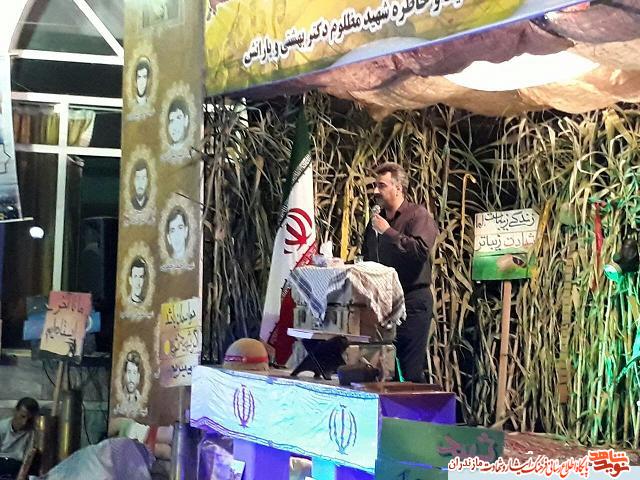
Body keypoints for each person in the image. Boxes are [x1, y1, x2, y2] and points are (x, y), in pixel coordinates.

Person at [362, 163, 438, 383]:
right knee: (382, 368)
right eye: (375, 186)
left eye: (381, 185)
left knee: (409, 369)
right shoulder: (375, 223)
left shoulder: (417, 215)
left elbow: (420, 251)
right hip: (383, 303)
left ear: (398, 188)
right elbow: (367, 256)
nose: (375, 191)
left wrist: (388, 232)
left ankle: (415, 405)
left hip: (411, 301)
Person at [0, 397, 39, 474]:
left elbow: (28, 458)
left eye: (29, 419)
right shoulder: (2, 427)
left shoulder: (32, 432)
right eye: (22, 416)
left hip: (18, 466)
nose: (24, 422)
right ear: (15, 411)